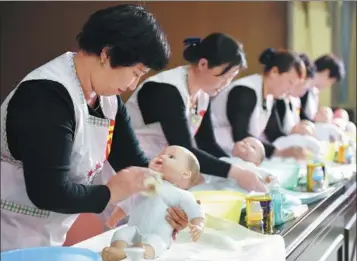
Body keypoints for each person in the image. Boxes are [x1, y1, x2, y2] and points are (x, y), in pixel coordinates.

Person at [0, 4, 190, 252]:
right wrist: (112, 191)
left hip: (46, 233)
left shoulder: (107, 99)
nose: (134, 85)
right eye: (136, 73)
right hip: (8, 230)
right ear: (107, 54)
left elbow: (132, 160)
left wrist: (172, 199)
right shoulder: (45, 95)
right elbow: (47, 192)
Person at [125, 33, 267, 193]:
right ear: (203, 64)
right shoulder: (166, 89)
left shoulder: (203, 93)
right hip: (135, 166)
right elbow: (185, 148)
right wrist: (236, 172)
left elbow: (207, 143)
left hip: (165, 169)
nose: (226, 84)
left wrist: (239, 166)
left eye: (231, 78)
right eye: (224, 76)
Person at [102, 146, 204, 261]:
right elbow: (129, 203)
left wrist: (197, 226)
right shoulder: (145, 184)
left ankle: (132, 254)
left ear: (185, 174)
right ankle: (119, 251)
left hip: (158, 235)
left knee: (156, 244)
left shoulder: (181, 194)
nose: (162, 156)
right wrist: (114, 218)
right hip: (134, 229)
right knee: (122, 233)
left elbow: (196, 211)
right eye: (161, 153)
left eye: (171, 156)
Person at [210, 48, 306, 160]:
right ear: (274, 72)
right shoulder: (245, 91)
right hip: (217, 152)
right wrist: (279, 152)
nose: (290, 89)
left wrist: (296, 145)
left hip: (237, 155)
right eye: (290, 82)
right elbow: (240, 135)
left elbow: (273, 133)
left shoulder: (270, 96)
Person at [264, 53, 316, 142]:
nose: (303, 92)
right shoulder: (278, 99)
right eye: (291, 82)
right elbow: (274, 134)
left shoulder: (293, 100)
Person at [300, 54, 345, 121]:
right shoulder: (301, 86)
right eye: (331, 82)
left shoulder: (314, 91)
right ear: (326, 72)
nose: (329, 86)